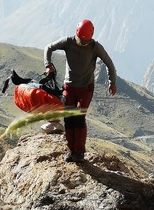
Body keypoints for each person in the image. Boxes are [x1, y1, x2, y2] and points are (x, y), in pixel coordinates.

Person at [44, 19, 117, 162]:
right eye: (79, 41)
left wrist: (112, 82)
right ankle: (71, 150)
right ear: (76, 34)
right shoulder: (68, 41)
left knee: (79, 117)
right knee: (69, 118)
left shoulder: (95, 47)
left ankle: (80, 152)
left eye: (85, 42)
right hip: (69, 87)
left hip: (86, 88)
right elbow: (49, 47)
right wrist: (48, 65)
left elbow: (109, 63)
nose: (82, 44)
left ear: (91, 37)